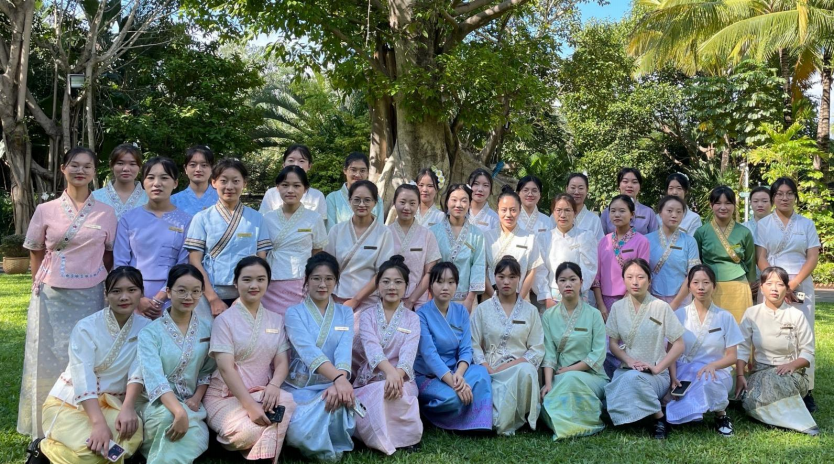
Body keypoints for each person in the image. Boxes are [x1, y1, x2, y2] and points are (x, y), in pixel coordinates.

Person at [19, 147, 118, 437]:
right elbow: (35, 249)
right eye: (74, 165)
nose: (80, 171)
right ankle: (45, 423)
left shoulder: (106, 212)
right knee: (48, 356)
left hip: (91, 293)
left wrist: (97, 278)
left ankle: (83, 421)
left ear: (94, 172)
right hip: (52, 294)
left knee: (89, 355)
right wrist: (38, 281)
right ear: (63, 169)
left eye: (87, 166)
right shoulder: (45, 210)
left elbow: (108, 254)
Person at [39, 267, 150, 463]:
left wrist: (128, 408)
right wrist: (99, 424)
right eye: (116, 291)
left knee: (132, 434)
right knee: (90, 452)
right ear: (106, 294)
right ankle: (44, 448)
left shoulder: (147, 328)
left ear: (141, 292)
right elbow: (83, 376)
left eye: (132, 290)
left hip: (111, 404)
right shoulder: (86, 327)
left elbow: (138, 371)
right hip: (70, 404)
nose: (124, 297)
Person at [204, 257, 297, 461]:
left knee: (287, 400)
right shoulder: (223, 321)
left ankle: (260, 451)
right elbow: (225, 368)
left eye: (260, 279)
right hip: (225, 396)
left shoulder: (275, 319)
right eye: (247, 280)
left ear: (268, 283)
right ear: (235, 283)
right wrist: (249, 406)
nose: (254, 285)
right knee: (249, 432)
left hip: (262, 393)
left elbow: (281, 361)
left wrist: (274, 385)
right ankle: (264, 449)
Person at [137, 264, 216, 463]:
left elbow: (207, 370)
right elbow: (154, 377)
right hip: (155, 402)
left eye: (195, 291)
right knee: (167, 417)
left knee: (187, 426)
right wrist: (178, 411)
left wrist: (196, 398)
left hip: (191, 402)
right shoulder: (150, 333)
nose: (189, 297)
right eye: (181, 290)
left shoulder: (208, 329)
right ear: (169, 292)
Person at [754, 177, 821, 410]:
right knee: (771, 332)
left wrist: (791, 285)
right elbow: (761, 257)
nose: (784, 198)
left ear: (795, 196)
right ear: (773, 197)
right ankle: (768, 381)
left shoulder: (806, 224)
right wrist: (776, 283)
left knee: (802, 334)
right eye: (779, 194)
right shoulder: (764, 224)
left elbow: (812, 257)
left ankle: (806, 389)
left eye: (789, 193)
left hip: (800, 284)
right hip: (772, 283)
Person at [282, 253, 356, 461]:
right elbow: (308, 351)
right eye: (316, 278)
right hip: (301, 387)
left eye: (329, 278)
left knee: (340, 409)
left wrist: (338, 383)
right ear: (306, 280)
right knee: (299, 429)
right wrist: (339, 379)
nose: (322, 284)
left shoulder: (345, 313)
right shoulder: (293, 313)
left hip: (334, 386)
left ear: (336, 281)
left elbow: (344, 350)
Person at [604, 259, 685, 439]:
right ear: (623, 280)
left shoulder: (661, 307)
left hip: (656, 375)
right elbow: (613, 343)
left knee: (633, 380)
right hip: (626, 369)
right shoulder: (617, 308)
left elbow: (679, 344)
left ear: (649, 281)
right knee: (625, 381)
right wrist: (629, 361)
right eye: (630, 277)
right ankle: (642, 413)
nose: (635, 282)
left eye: (640, 277)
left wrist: (658, 368)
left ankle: (659, 419)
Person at [352, 256, 423, 454]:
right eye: (386, 281)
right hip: (371, 378)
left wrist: (396, 376)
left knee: (401, 393)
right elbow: (372, 348)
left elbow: (409, 353)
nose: (392, 287)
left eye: (398, 282)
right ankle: (379, 438)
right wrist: (389, 373)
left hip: (402, 377)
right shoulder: (366, 315)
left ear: (406, 287)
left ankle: (405, 438)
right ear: (378, 285)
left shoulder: (413, 318)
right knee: (378, 392)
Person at [184, 158, 271, 318]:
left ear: (244, 183)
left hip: (247, 294)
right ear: (214, 183)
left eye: (236, 181)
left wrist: (244, 298)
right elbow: (195, 261)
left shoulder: (257, 218)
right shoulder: (201, 218)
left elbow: (261, 260)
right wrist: (213, 299)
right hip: (209, 294)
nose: (229, 187)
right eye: (223, 181)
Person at [735, 267, 818, 436]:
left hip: (791, 374)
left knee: (776, 382)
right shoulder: (752, 313)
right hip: (760, 371)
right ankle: (789, 415)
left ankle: (800, 424)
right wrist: (740, 375)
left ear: (787, 289)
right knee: (750, 401)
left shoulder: (796, 315)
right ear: (761, 287)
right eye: (769, 284)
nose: (774, 288)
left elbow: (808, 351)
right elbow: (742, 347)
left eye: (780, 284)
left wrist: (792, 365)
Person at [471, 256, 545, 435]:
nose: (506, 282)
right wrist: (486, 366)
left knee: (528, 370)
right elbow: (473, 344)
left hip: (519, 367)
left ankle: (521, 418)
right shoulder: (482, 309)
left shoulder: (531, 311)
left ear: (519, 278)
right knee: (496, 421)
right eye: (501, 276)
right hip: (491, 368)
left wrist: (514, 364)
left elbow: (536, 348)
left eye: (512, 277)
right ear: (493, 277)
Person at [414, 262, 493, 431]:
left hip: (456, 372)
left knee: (481, 373)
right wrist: (456, 384)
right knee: (452, 398)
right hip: (430, 375)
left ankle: (478, 424)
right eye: (439, 281)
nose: (445, 287)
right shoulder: (421, 314)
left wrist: (459, 374)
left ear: (457, 285)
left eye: (451, 282)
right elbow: (429, 355)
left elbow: (466, 349)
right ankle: (427, 413)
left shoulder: (461, 311)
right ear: (431, 285)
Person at [665, 265, 743, 435]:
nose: (701, 287)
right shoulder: (679, 315)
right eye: (696, 282)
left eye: (706, 282)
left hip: (715, 372)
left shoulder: (725, 317)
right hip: (683, 372)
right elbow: (670, 353)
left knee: (709, 381)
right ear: (689, 287)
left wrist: (713, 365)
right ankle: (687, 411)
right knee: (684, 389)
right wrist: (673, 377)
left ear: (714, 286)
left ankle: (721, 415)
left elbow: (732, 356)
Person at [115, 157, 191, 319]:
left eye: (164, 178)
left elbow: (183, 263)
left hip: (173, 295)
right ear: (143, 183)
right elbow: (120, 262)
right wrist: (138, 297)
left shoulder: (186, 221)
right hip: (132, 296)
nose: (157, 183)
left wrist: (160, 297)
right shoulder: (128, 219)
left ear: (175, 183)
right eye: (150, 177)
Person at [539, 262, 608, 440]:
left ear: (581, 282)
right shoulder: (548, 316)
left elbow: (598, 354)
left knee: (570, 379)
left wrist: (569, 370)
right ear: (557, 284)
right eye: (562, 280)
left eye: (572, 279)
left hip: (592, 376)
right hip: (559, 377)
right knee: (550, 394)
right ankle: (564, 424)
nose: (568, 284)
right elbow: (549, 353)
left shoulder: (594, 314)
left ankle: (575, 425)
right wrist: (548, 383)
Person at [261, 166, 327, 316]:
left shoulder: (314, 218)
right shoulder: (267, 218)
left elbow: (317, 254)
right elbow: (261, 252)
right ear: (277, 188)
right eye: (285, 185)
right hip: (271, 281)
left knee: (298, 322)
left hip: (301, 282)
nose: (290, 190)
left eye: (297, 186)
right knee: (272, 324)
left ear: (305, 189)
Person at [325, 180, 395, 313]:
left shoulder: (384, 233)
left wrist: (356, 300)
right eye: (357, 200)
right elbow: (327, 266)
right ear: (349, 201)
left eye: (367, 200)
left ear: (375, 202)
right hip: (336, 297)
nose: (361, 204)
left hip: (369, 300)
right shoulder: (336, 230)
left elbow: (382, 272)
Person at [694, 186, 757, 322]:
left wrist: (751, 283)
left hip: (738, 284)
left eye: (728, 203)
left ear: (734, 205)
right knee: (711, 325)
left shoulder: (744, 232)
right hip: (709, 284)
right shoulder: (701, 232)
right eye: (718, 203)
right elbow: (697, 261)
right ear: (711, 205)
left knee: (739, 325)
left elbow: (750, 260)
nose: (723, 207)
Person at [429, 184, 486, 312]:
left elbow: (478, 266)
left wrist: (469, 300)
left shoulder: (477, 234)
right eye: (454, 200)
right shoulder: (433, 232)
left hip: (466, 299)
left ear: (470, 204)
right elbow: (429, 267)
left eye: (464, 200)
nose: (458, 205)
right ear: (447, 202)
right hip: (437, 298)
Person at [537, 193, 598, 308]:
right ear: (553, 212)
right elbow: (540, 270)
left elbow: (589, 268)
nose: (563, 215)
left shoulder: (585, 237)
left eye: (567, 210)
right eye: (558, 210)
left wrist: (576, 289)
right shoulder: (544, 238)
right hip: (552, 296)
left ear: (574, 213)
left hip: (578, 295)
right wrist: (547, 297)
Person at [592, 195, 650, 315]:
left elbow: (642, 274)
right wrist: (600, 304)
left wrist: (626, 301)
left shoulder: (642, 241)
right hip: (605, 300)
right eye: (613, 211)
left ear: (632, 214)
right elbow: (596, 276)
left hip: (632, 298)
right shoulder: (604, 241)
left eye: (622, 211)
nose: (617, 215)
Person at [483, 186, 543, 301]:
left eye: (513, 210)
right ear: (497, 210)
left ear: (520, 210)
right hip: (490, 298)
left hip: (521, 298)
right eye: (504, 210)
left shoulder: (529, 238)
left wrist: (519, 299)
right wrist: (494, 298)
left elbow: (531, 271)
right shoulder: (487, 237)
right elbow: (481, 270)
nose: (508, 214)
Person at [387, 183, 441, 309]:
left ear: (418, 205)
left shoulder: (427, 235)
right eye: (402, 202)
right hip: (387, 299)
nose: (407, 207)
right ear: (394, 203)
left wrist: (411, 300)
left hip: (418, 301)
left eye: (412, 203)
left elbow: (430, 272)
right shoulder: (384, 233)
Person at [646, 195, 700, 310]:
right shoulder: (646, 240)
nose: (674, 215)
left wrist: (675, 304)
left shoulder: (690, 242)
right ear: (660, 213)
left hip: (682, 300)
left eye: (679, 212)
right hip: (651, 299)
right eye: (669, 211)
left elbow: (692, 275)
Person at [259, 144, 327, 220]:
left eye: (301, 161)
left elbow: (322, 224)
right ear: (284, 164)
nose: (296, 164)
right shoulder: (271, 194)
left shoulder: (317, 196)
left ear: (309, 166)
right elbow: (263, 221)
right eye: (291, 160)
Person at [325, 152, 384, 231]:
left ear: (367, 172)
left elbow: (380, 231)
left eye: (362, 170)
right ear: (345, 170)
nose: (357, 175)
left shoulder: (376, 199)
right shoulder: (332, 198)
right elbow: (330, 231)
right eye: (353, 170)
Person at [91, 144, 148, 220]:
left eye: (132, 164)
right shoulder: (94, 197)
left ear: (139, 167)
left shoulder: (149, 198)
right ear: (111, 165)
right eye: (120, 163)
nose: (126, 169)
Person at [600, 168, 658, 235]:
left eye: (634, 182)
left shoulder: (649, 213)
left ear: (640, 186)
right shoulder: (606, 213)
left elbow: (654, 238)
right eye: (625, 181)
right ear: (619, 185)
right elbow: (602, 238)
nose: (629, 185)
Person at [171, 145, 219, 216]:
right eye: (193, 165)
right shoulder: (172, 201)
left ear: (212, 169)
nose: (198, 169)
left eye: (204, 165)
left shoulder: (222, 199)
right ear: (185, 168)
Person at [565, 173, 603, 241]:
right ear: (567, 189)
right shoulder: (556, 216)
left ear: (587, 190)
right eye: (573, 188)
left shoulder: (594, 220)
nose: (576, 192)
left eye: (581, 188)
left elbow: (601, 244)